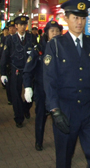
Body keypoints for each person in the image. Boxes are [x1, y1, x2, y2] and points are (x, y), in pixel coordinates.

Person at [43, 0, 90, 168]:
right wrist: (54, 110)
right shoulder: (56, 46)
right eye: (75, 17)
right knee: (64, 158)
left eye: (82, 18)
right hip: (66, 111)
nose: (79, 22)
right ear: (66, 19)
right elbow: (49, 78)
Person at [23, 20, 63, 151]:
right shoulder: (39, 49)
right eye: (52, 31)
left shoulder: (64, 48)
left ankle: (60, 142)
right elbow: (28, 70)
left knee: (59, 117)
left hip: (59, 90)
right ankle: (38, 141)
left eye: (57, 31)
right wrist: (28, 87)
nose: (55, 33)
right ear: (46, 34)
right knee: (40, 116)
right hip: (41, 90)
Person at [0, 16, 36, 128]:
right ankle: (19, 117)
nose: (22, 27)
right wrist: (3, 73)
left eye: (24, 25)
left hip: (30, 71)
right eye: (20, 25)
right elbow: (4, 56)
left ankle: (25, 108)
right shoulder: (10, 39)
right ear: (16, 26)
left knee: (31, 94)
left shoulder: (31, 37)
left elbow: (36, 53)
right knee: (16, 95)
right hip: (16, 70)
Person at [0, 24, 13, 105]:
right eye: (8, 29)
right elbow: (1, 51)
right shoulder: (4, 38)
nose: (9, 30)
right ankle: (10, 99)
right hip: (7, 65)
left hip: (15, 66)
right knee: (9, 84)